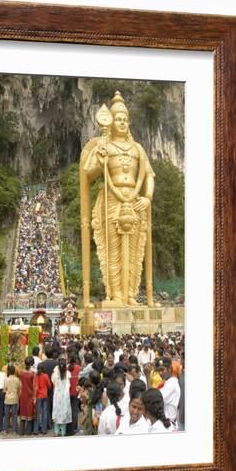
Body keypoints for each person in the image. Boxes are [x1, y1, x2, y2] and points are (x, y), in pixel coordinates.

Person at [80, 91, 156, 306]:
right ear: (111, 122)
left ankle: (131, 295)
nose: (122, 122)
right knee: (112, 250)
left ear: (129, 122)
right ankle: (115, 295)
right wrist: (99, 158)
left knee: (134, 249)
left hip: (134, 199)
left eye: (125, 119)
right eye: (118, 119)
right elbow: (88, 174)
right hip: (112, 199)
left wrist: (147, 196)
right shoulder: (105, 146)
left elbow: (149, 175)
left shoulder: (137, 148)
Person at [155, 356, 181, 426]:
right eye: (158, 371)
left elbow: (154, 400)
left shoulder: (172, 383)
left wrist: (147, 377)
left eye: (162, 370)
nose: (160, 373)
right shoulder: (167, 382)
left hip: (167, 423)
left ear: (169, 369)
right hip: (163, 422)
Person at [51, 358, 72, 436]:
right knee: (64, 413)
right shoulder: (68, 374)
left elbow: (53, 382)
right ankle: (63, 432)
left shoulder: (55, 374)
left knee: (57, 413)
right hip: (65, 396)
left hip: (57, 395)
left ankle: (56, 432)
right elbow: (69, 384)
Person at [18, 356, 36, 435]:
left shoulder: (21, 373)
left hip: (23, 395)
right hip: (30, 395)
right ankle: (28, 431)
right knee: (29, 413)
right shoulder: (33, 374)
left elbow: (20, 385)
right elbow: (34, 386)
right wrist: (34, 397)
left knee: (23, 412)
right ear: (31, 364)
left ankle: (21, 431)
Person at [33, 362, 51, 434]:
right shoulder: (45, 376)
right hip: (45, 395)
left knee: (37, 413)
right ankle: (44, 430)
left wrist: (34, 396)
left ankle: (36, 430)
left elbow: (35, 387)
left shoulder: (35, 376)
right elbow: (49, 385)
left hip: (38, 396)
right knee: (44, 413)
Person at [2, 364, 20, 434]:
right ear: (14, 371)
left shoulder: (6, 379)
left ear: (8, 372)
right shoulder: (17, 379)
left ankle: (5, 430)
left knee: (6, 415)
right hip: (15, 398)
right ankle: (14, 430)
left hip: (7, 399)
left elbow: (4, 390)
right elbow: (18, 389)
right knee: (14, 415)